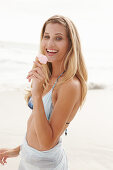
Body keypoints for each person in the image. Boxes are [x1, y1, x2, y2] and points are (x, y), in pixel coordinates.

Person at [0, 15, 88, 169]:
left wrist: (37, 93)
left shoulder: (70, 85)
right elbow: (36, 126)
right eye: (46, 36)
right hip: (29, 159)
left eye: (58, 38)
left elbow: (47, 143)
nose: (50, 43)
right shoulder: (46, 77)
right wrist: (16, 150)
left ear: (70, 43)